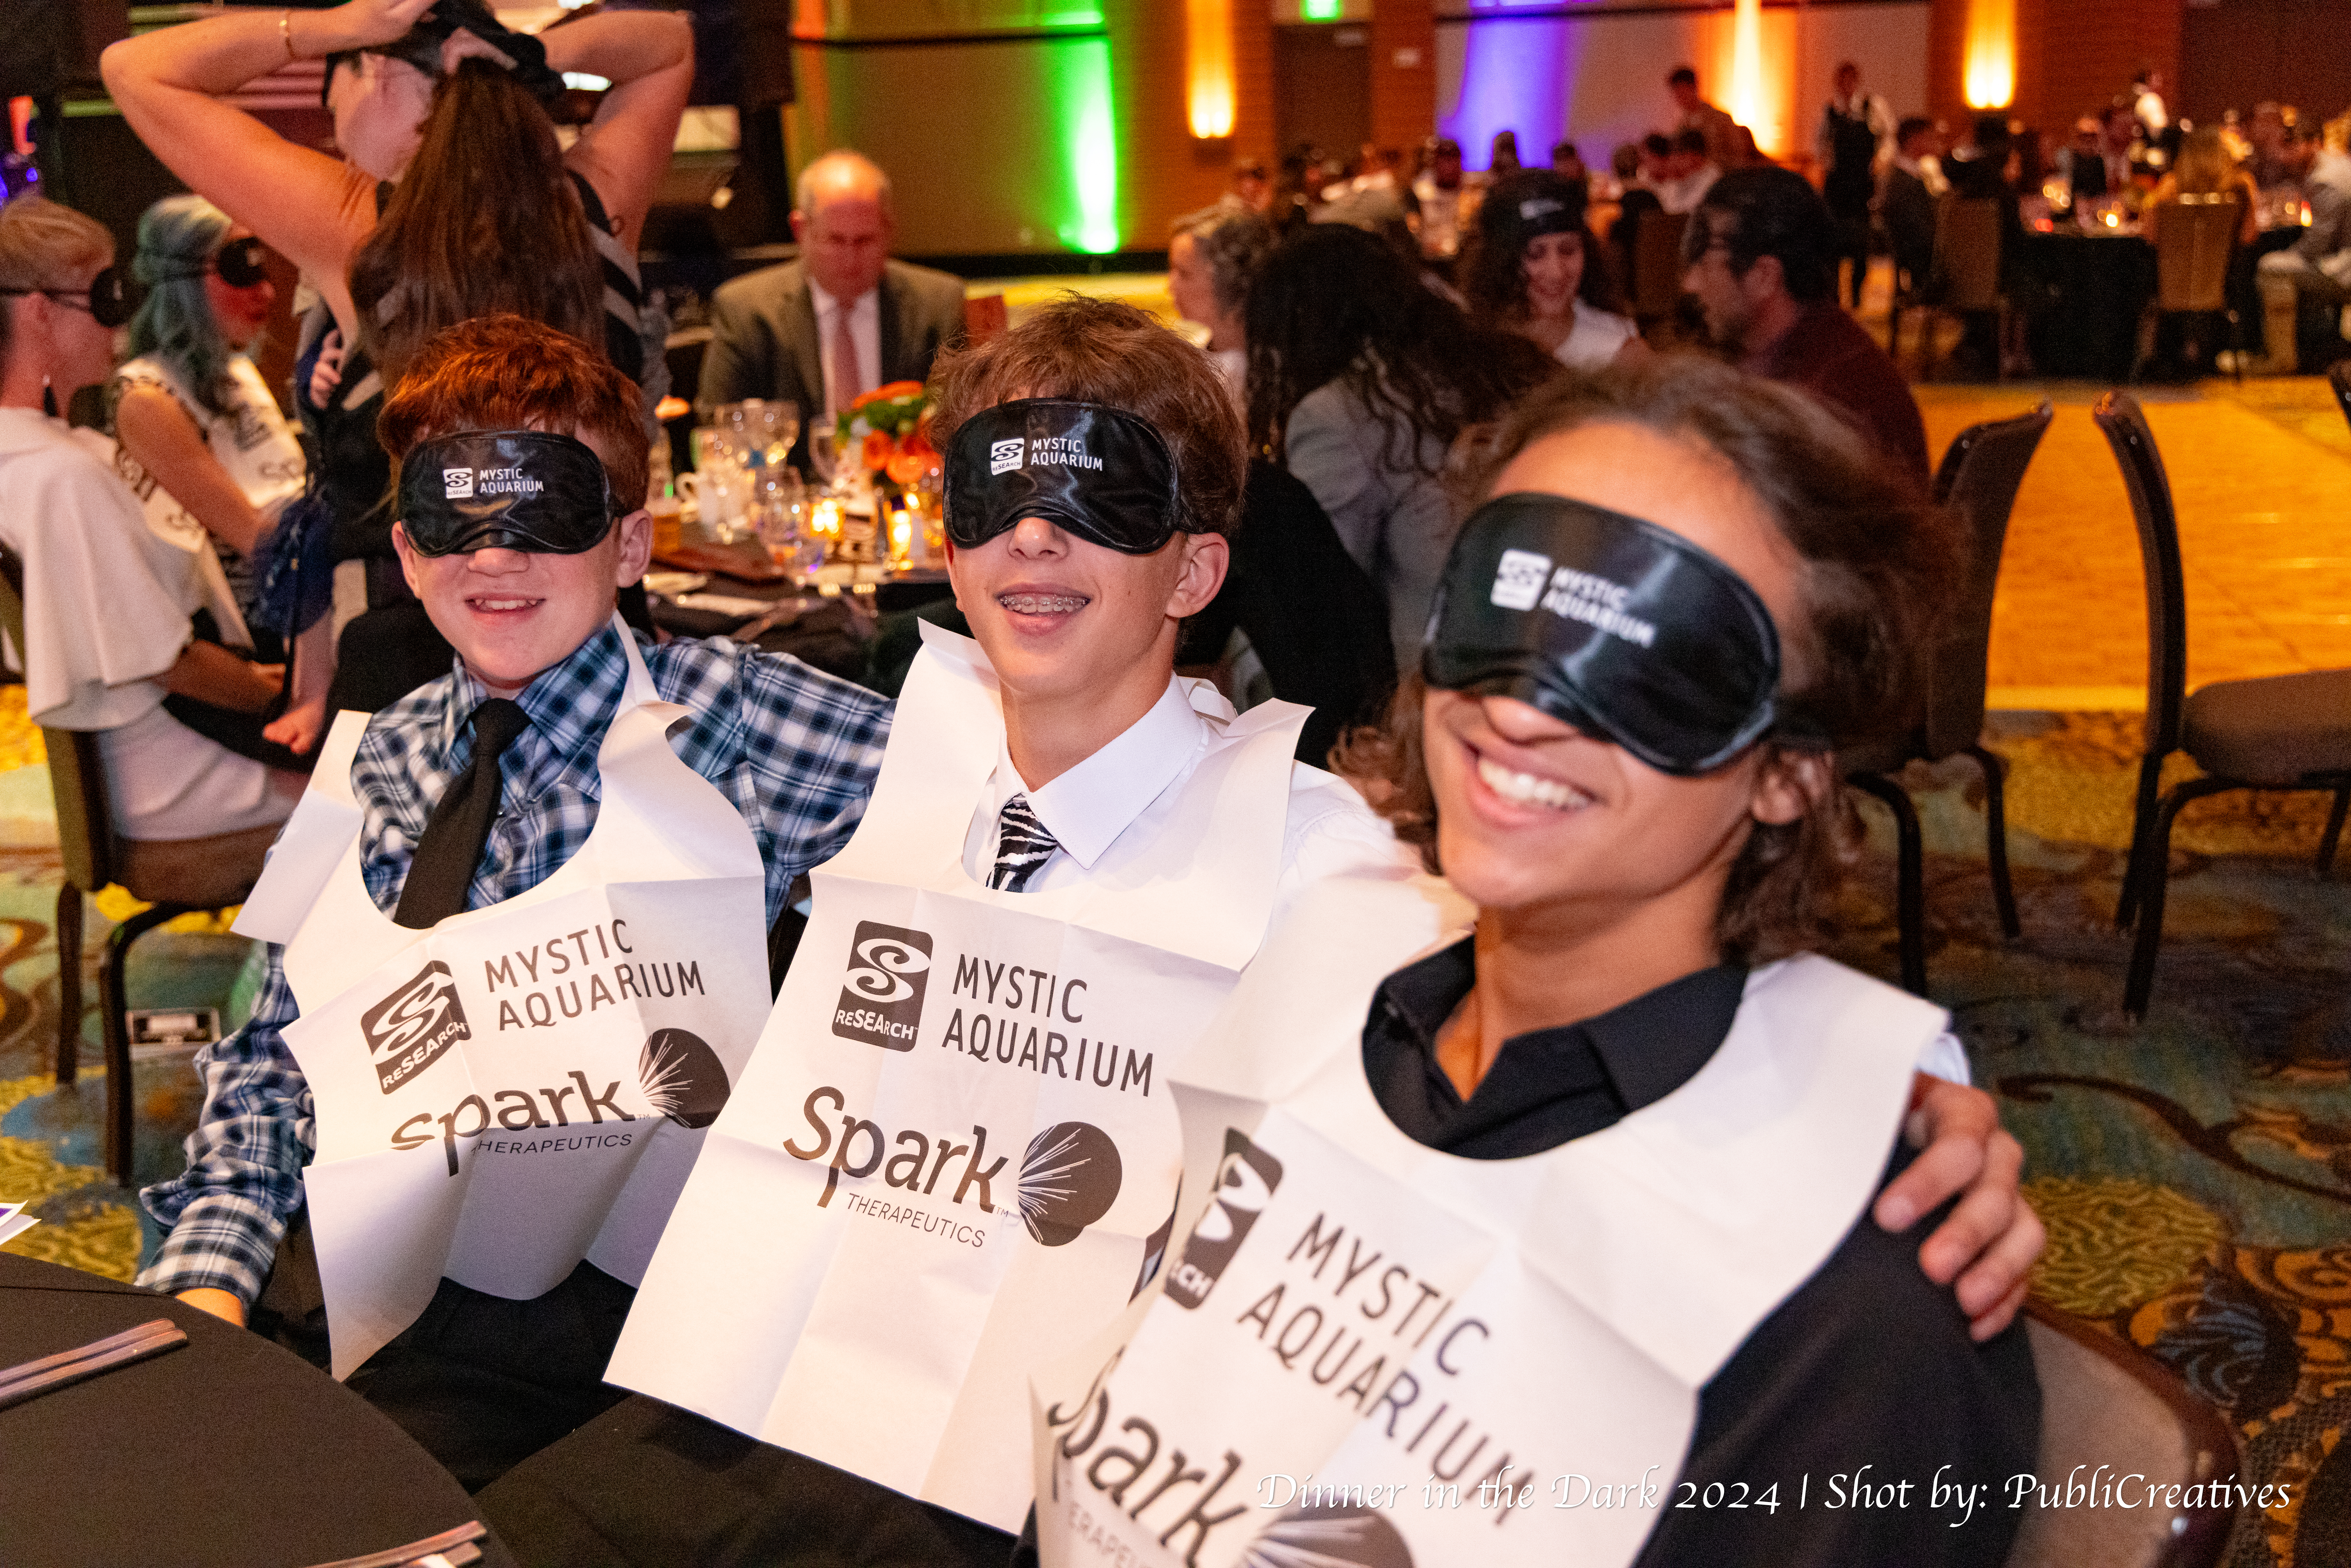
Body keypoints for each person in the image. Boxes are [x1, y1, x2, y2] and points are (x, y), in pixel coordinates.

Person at [479, 303, 2041, 1568]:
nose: (1533, 698)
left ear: (1791, 768)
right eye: (1511, 606)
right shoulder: (1339, 1002)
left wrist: (1873, 1091)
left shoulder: (1858, 1298)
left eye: (1664, 652)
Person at [135, 315, 893, 1488]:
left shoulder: (743, 725)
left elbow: (1014, 831)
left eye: (541, 511)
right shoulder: (376, 762)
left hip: (667, 1347)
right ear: (407, 547)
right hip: (414, 1312)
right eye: (455, 517)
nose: (493, 556)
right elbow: (271, 1065)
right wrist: (202, 1293)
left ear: (629, 542)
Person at [102, 0, 695, 714]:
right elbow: (669, 43)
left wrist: (340, 26)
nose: (334, 130)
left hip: (406, 666)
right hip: (598, 648)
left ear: (378, 70)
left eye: (335, 97)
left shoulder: (355, 224)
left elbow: (135, 69)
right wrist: (525, 51)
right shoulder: (597, 204)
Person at [0, 196, 301, 868]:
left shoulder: (38, 454)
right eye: (103, 295)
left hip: (140, 764)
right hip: (176, 783)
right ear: (41, 312)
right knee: (410, 780)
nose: (121, 318)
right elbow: (169, 662)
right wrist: (275, 687)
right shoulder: (60, 475)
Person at [1245, 223, 1559, 675]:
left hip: (1435, 682)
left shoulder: (1337, 415)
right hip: (1553, 649)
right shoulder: (1502, 364)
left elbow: (1321, 603)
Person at [106, 195, 330, 761]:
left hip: (300, 604)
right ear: (182, 278)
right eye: (240, 268)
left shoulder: (237, 372)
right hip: (245, 639)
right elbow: (255, 538)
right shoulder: (147, 398)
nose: (267, 291)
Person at [696, 149, 966, 467]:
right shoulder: (747, 310)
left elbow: (964, 426)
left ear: (889, 231)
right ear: (800, 230)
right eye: (836, 241)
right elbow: (716, 429)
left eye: (865, 241)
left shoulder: (938, 304)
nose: (851, 259)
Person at [1684, 167, 1929, 482]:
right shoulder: (1818, 350)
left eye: (1704, 263)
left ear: (1763, 277)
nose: (1691, 283)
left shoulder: (1822, 399)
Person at [1461, 169, 1649, 370]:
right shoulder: (1477, 344)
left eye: (1568, 251)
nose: (1556, 272)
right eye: (1535, 254)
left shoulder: (1620, 352)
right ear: (1502, 262)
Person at [2252, 111, 2351, 374]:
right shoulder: (2340, 166)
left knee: (2271, 267)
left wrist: (2289, 253)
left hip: (2346, 271)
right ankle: (2315, 349)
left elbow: (2316, 245)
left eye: (2294, 146)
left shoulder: (2325, 180)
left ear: (2314, 143)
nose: (2287, 155)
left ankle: (2282, 360)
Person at [1167, 203, 1273, 399]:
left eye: (1184, 273)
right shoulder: (1207, 354)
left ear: (1227, 279)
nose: (1171, 287)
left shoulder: (1237, 376)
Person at [1818, 61, 1894, 309]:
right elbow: (1817, 145)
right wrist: (1826, 163)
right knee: (1834, 241)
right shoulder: (1829, 110)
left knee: (1861, 243)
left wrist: (1880, 162)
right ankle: (1835, 296)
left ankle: (1858, 294)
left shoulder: (1873, 107)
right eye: (1842, 81)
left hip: (1862, 184)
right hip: (1837, 185)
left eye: (1850, 80)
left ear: (1857, 81)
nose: (1846, 86)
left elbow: (1889, 138)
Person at [1881, 117, 1944, 299]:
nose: (1935, 142)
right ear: (1914, 140)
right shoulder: (1902, 181)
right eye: (1930, 137)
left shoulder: (1910, 174)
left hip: (1918, 249)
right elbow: (1915, 228)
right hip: (1916, 254)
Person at [1411, 135, 1471, 264]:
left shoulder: (1471, 190)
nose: (1448, 165)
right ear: (1435, 163)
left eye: (1453, 159)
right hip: (1426, 259)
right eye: (1444, 159)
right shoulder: (1420, 189)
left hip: (1462, 260)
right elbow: (1412, 227)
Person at [1669, 64, 1741, 170]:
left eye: (1681, 92)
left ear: (1694, 88)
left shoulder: (1721, 120)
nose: (1679, 98)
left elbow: (1738, 154)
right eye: (1676, 94)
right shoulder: (1681, 128)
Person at [1657, 127, 1723, 215]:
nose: (1673, 162)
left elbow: (1679, 212)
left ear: (1692, 156)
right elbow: (1667, 207)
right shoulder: (1689, 176)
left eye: (1677, 156)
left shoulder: (1712, 177)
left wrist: (1675, 180)